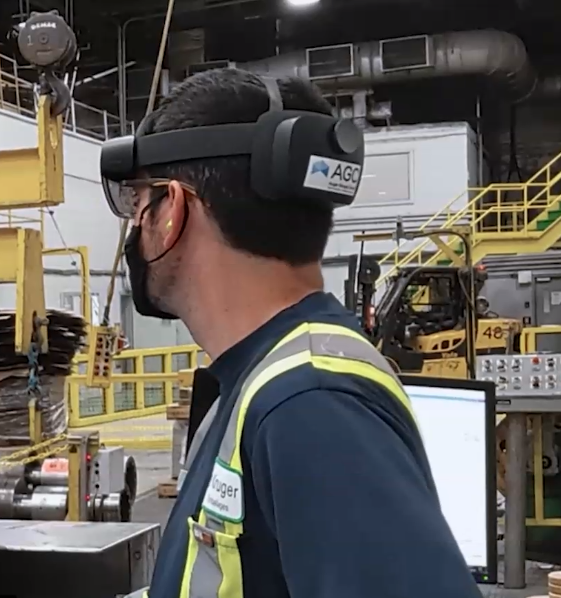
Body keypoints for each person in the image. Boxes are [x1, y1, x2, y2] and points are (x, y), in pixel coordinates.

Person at [112, 68, 481, 598]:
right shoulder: (259, 383)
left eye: (137, 203)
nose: (135, 225)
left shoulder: (310, 404)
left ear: (172, 208)